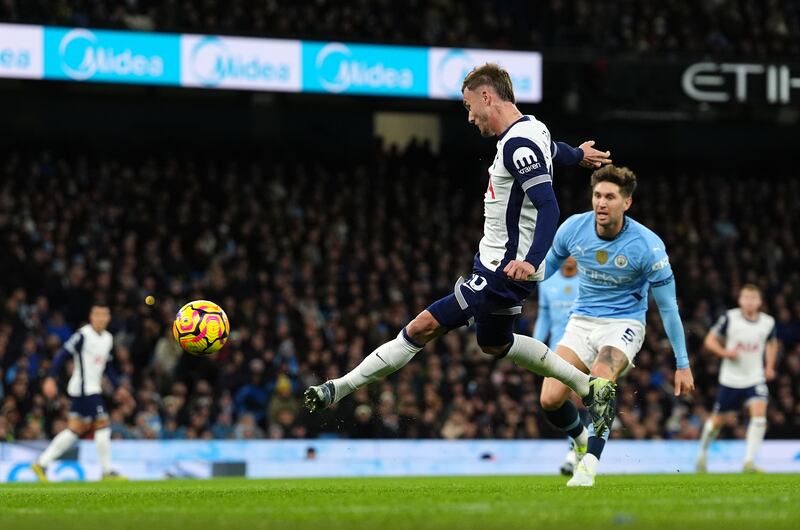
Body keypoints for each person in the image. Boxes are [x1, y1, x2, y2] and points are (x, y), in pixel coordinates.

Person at [304, 63, 618, 436]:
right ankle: (590, 388)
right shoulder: (532, 129)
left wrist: (529, 260)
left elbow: (550, 206)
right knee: (494, 342)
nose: (469, 117)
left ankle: (338, 388)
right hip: (499, 266)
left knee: (421, 328)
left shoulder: (517, 145)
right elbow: (554, 151)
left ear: (488, 97)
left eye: (470, 106)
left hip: (499, 271)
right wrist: (578, 155)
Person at [538, 165, 695, 487]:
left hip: (623, 324)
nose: (601, 203)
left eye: (610, 196)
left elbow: (667, 308)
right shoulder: (573, 229)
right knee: (550, 399)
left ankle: (589, 465)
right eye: (597, 195)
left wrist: (682, 364)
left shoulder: (647, 246)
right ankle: (581, 439)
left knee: (600, 382)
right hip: (581, 321)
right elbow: (544, 271)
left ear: (627, 202)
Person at [31, 303, 130, 481]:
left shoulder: (107, 338)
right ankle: (107, 471)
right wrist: (51, 378)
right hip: (84, 390)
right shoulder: (82, 335)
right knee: (103, 425)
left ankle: (42, 463)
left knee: (74, 430)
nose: (101, 319)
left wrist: (119, 387)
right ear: (91, 317)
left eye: (104, 315)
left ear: (108, 318)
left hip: (92, 389)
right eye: (97, 315)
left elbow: (107, 367)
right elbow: (62, 354)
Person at [695, 284, 778, 473]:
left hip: (755, 378)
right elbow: (709, 340)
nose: (749, 301)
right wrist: (724, 352)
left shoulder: (768, 322)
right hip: (730, 379)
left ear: (759, 301)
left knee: (759, 416)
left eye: (753, 298)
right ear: (740, 299)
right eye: (746, 297)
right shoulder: (729, 317)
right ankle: (702, 452)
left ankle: (749, 462)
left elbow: (772, 343)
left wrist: (770, 366)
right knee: (716, 423)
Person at [532, 257, 585, 475]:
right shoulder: (547, 282)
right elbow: (544, 316)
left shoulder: (587, 281)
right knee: (554, 401)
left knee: (580, 400)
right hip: (556, 352)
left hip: (583, 349)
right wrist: (534, 347)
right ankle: (577, 448)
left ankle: (574, 453)